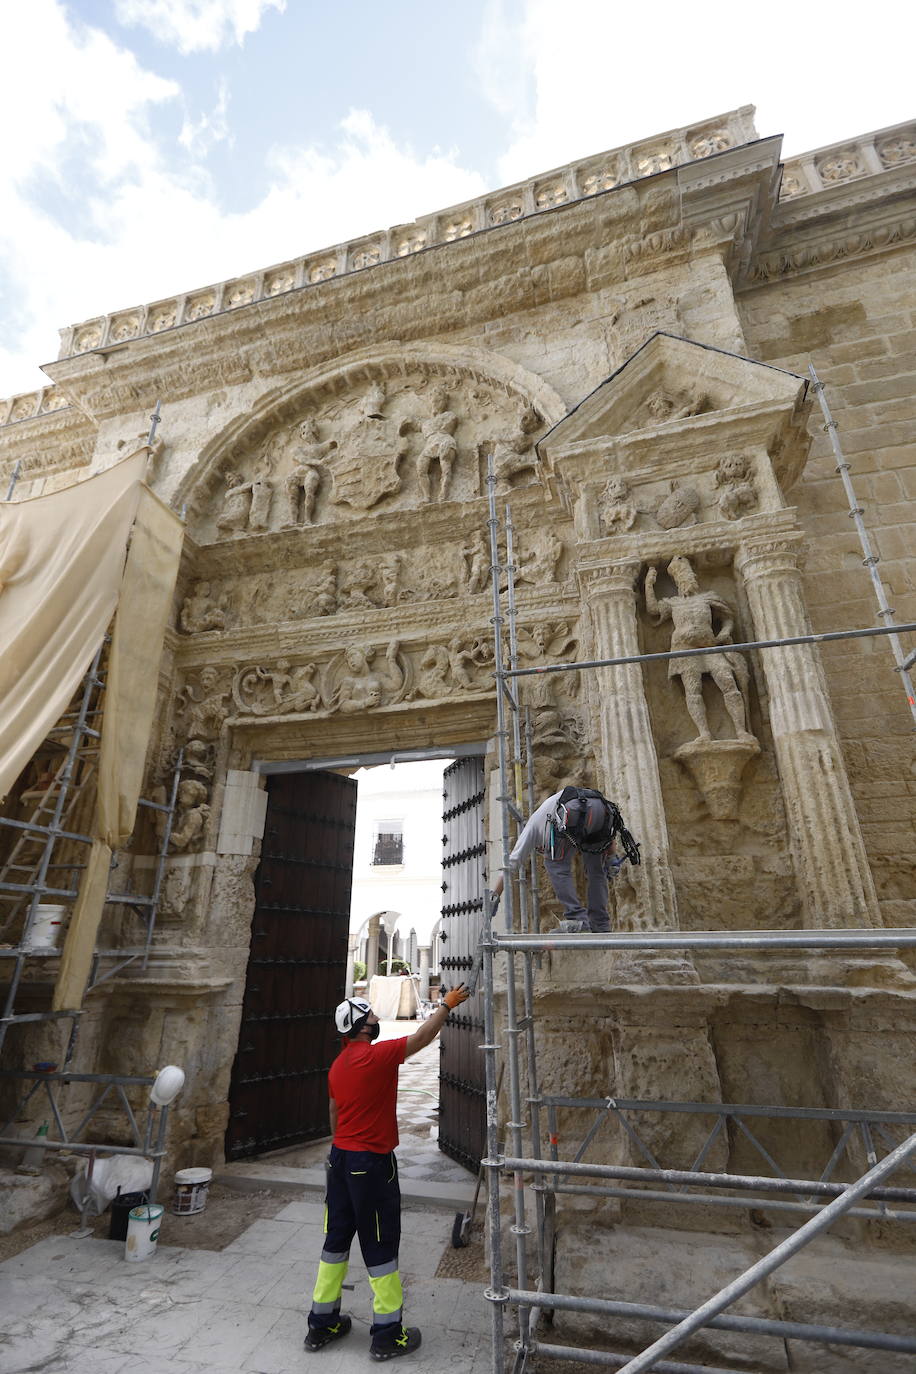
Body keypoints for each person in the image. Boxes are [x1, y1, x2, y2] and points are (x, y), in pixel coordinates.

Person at [305, 984, 470, 1360]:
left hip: (341, 1160)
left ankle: (322, 1323)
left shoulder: (338, 1065)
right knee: (380, 1244)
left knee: (335, 1240)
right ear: (363, 1027)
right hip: (371, 1164)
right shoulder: (376, 1057)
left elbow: (333, 1113)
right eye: (374, 1018)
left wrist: (340, 1147)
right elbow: (423, 1037)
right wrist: (447, 1004)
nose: (379, 1022)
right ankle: (386, 1334)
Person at [492, 785, 639, 933]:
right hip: (602, 809)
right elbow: (605, 832)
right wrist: (611, 857)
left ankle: (577, 919)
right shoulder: (545, 814)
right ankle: (600, 924)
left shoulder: (532, 829)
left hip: (572, 812)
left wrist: (494, 896)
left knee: (555, 865)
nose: (544, 850)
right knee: (596, 871)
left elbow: (511, 864)